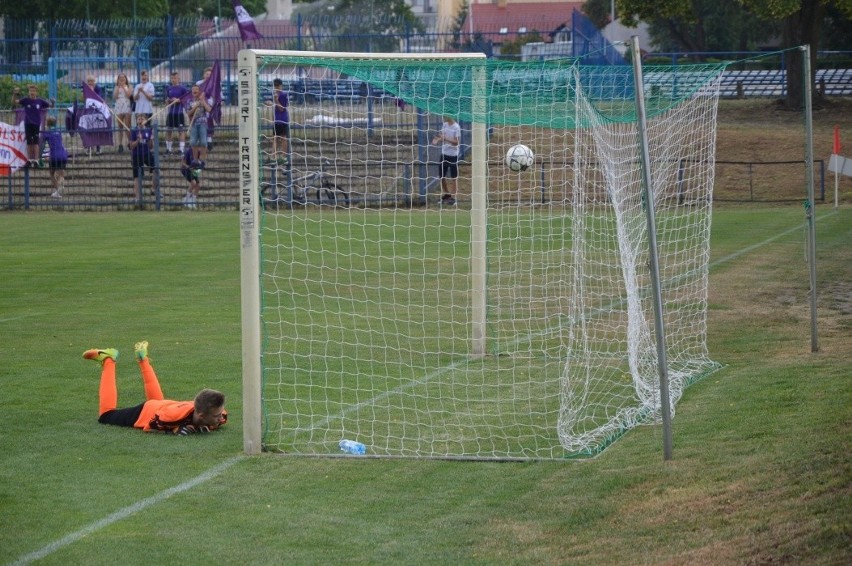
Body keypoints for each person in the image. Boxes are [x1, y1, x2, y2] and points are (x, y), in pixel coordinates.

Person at [83, 342, 227, 435]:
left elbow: (213, 417)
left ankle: (143, 358)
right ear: (201, 415)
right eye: (216, 416)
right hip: (148, 411)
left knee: (158, 401)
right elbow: (150, 426)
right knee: (105, 416)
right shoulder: (170, 418)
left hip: (166, 405)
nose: (221, 418)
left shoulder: (219, 415)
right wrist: (174, 431)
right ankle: (108, 359)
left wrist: (202, 426)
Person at [12, 84, 53, 167]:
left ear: (36, 92)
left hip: (36, 124)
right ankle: (29, 160)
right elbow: (14, 102)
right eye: (30, 91)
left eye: (33, 91)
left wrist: (52, 102)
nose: (32, 92)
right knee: (29, 143)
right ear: (29, 92)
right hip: (28, 124)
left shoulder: (40, 101)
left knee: (35, 142)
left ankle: (36, 160)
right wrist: (14, 94)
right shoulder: (25, 100)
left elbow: (50, 105)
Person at [431, 115, 461, 206]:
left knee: (453, 177)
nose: (443, 116)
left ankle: (453, 198)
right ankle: (447, 195)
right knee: (441, 176)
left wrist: (445, 139)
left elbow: (457, 142)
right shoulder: (444, 125)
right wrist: (437, 140)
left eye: (445, 115)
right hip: (444, 154)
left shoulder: (456, 127)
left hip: (453, 155)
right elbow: (442, 137)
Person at [129, 113, 157, 201]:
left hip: (146, 153)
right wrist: (138, 139)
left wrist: (150, 140)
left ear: (146, 120)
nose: (140, 121)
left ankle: (154, 189)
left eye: (142, 119)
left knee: (156, 169)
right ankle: (137, 197)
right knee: (137, 177)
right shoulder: (134, 130)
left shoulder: (148, 130)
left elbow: (151, 146)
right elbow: (131, 146)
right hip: (136, 155)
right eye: (139, 119)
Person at [40, 116, 69, 198]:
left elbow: (42, 144)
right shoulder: (58, 131)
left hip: (54, 155)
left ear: (47, 124)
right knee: (61, 174)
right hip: (63, 154)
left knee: (52, 173)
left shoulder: (46, 133)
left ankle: (59, 188)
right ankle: (59, 189)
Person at [164, 71, 189, 155]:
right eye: (172, 78)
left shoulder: (183, 88)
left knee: (181, 131)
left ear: (179, 79)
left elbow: (186, 100)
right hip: (171, 113)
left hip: (179, 113)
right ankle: (168, 149)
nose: (173, 80)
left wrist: (179, 100)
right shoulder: (169, 89)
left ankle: (181, 150)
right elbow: (167, 101)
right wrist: (167, 101)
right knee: (168, 130)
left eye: (175, 78)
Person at [187, 84, 212, 164]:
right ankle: (195, 160)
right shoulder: (189, 101)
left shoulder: (204, 100)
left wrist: (203, 101)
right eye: (193, 89)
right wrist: (195, 107)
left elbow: (209, 110)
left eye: (196, 89)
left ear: (199, 91)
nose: (194, 90)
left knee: (203, 142)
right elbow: (188, 113)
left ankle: (203, 160)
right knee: (193, 142)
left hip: (203, 124)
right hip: (193, 124)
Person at [113, 72, 133, 153]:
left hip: (127, 106)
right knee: (120, 126)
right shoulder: (116, 87)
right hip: (119, 107)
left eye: (123, 77)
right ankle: (120, 144)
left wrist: (124, 87)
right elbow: (115, 96)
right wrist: (118, 86)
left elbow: (129, 95)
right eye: (120, 77)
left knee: (127, 126)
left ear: (126, 78)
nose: (122, 79)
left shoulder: (129, 86)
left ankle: (130, 142)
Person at [196, 66, 214, 150]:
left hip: (209, 104)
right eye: (207, 74)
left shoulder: (214, 84)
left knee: (209, 120)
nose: (208, 76)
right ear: (204, 75)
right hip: (200, 104)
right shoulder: (199, 83)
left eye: (210, 74)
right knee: (201, 120)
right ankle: (202, 139)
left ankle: (209, 140)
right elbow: (195, 93)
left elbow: (217, 95)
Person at [272, 78, 289, 165]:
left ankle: (284, 157)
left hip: (282, 120)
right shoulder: (275, 95)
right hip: (276, 120)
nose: (276, 88)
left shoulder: (283, 95)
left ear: (281, 86)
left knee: (283, 138)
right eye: (275, 86)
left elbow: (282, 108)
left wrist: (276, 100)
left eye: (278, 86)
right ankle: (273, 157)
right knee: (275, 138)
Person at [85, 75, 104, 154]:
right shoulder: (85, 88)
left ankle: (98, 147)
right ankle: (89, 147)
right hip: (88, 110)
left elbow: (99, 98)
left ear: (94, 81)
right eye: (88, 81)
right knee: (89, 129)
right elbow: (85, 98)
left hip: (97, 110)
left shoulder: (98, 88)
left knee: (97, 129)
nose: (90, 83)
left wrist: (92, 91)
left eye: (91, 81)